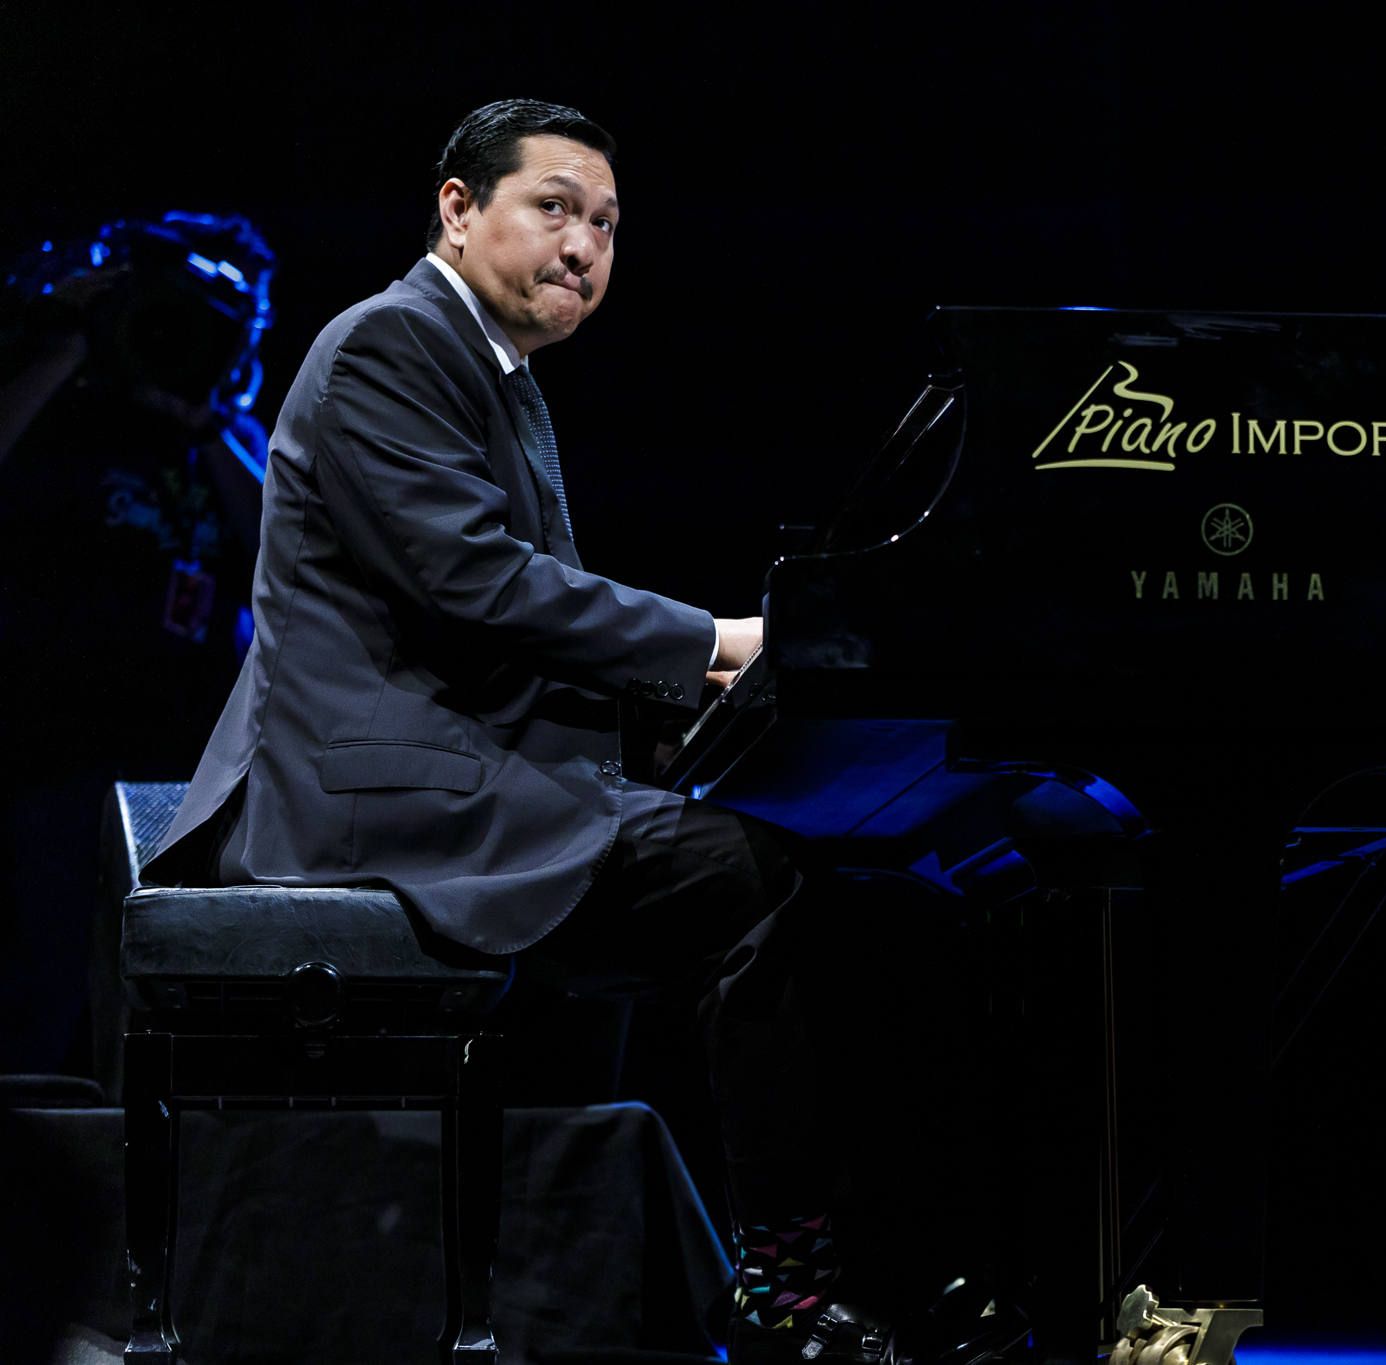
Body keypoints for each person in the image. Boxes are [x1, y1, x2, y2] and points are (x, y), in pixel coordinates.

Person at [144, 101, 855, 1363]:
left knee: (796, 876)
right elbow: (474, 585)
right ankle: (793, 1289)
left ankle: (699, 1283)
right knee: (766, 882)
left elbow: (502, 624)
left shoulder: (479, 364)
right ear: (458, 209)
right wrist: (714, 643)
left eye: (607, 225)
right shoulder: (392, 344)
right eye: (554, 208)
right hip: (376, 801)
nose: (583, 245)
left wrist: (689, 710)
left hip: (464, 781)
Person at [0, 213, 273, 1076]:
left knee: (174, 1000)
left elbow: (296, 559)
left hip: (186, 777)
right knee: (38, 993)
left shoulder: (231, 442)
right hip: (52, 755)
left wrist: (204, 418)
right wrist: (77, 341)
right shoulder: (67, 406)